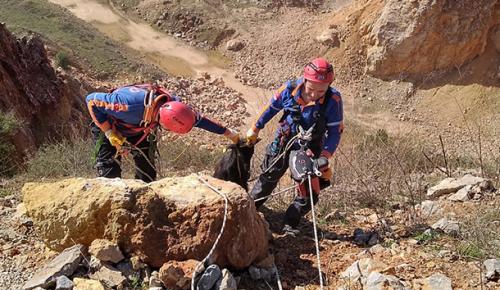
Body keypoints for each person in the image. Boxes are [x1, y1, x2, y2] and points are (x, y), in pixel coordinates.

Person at [245, 58, 343, 234]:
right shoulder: (289, 89)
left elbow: (335, 131)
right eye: (311, 89)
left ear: (329, 85)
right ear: (304, 80)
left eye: (321, 91)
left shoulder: (333, 100)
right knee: (268, 177)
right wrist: (255, 128)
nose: (314, 94)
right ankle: (247, 211)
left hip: (310, 147)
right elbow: (270, 109)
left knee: (308, 191)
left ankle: (290, 222)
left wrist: (325, 156)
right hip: (284, 140)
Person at [86, 83, 239, 182]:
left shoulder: (176, 107)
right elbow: (91, 100)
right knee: (109, 174)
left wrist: (228, 132)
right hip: (110, 125)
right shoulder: (127, 104)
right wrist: (108, 132)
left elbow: (201, 121)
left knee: (147, 173)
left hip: (141, 129)